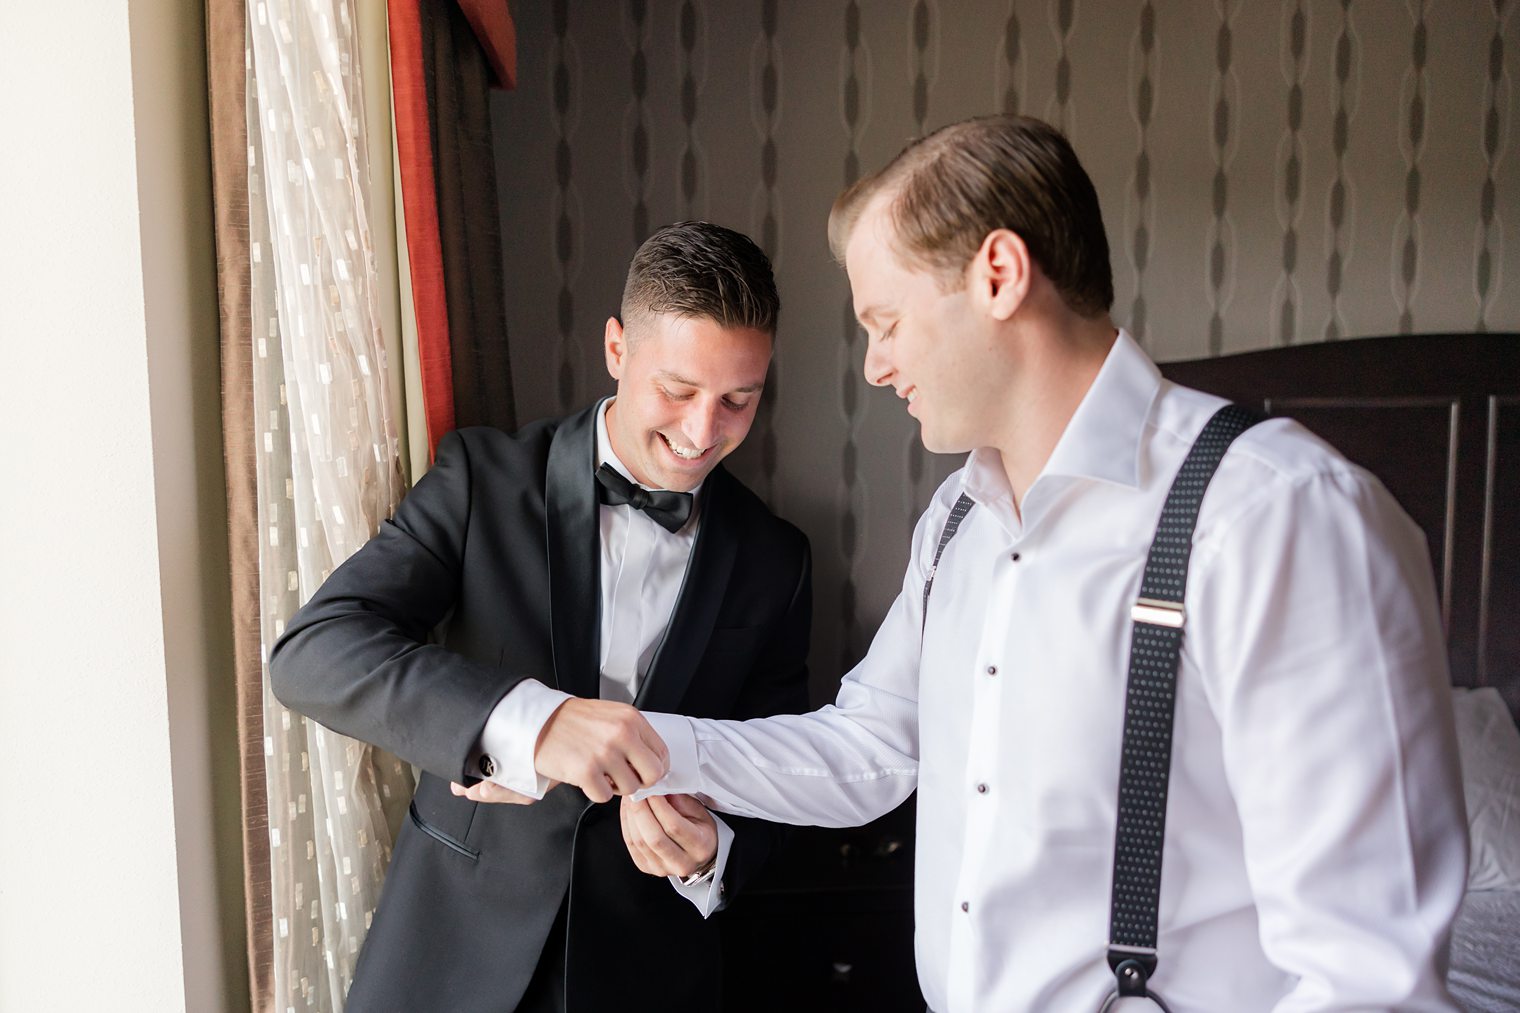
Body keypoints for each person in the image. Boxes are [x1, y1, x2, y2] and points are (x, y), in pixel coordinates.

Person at [633, 116, 1468, 1011]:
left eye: (887, 321)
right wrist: (638, 746)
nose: (875, 366)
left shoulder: (1278, 516)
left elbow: (1368, 976)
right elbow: (868, 742)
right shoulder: (957, 519)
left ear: (998, 274)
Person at [270, 221, 812, 1013]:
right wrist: (534, 724)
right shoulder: (479, 478)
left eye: (738, 398)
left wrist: (712, 854)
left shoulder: (778, 558)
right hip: (447, 961)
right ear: (617, 348)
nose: (703, 432)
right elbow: (313, 651)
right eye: (679, 389)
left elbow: (783, 773)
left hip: (648, 975)